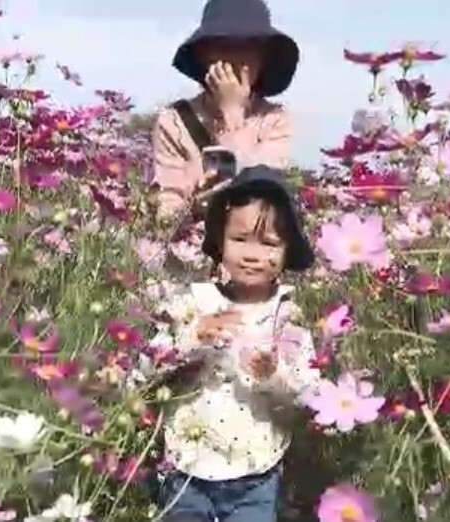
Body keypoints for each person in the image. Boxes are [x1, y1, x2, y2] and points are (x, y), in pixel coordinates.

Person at [149, 165, 319, 522]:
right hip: (185, 471)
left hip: (255, 477)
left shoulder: (289, 319)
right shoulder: (192, 303)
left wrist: (274, 376)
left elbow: (305, 397)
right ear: (219, 240)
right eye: (240, 239)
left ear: (288, 252)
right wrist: (193, 336)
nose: (253, 254)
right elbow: (147, 368)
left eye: (270, 243)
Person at [151, 0, 299, 220]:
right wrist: (196, 198)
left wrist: (232, 114)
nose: (235, 59)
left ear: (263, 58)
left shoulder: (275, 120)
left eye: (248, 46)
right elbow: (167, 206)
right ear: (203, 55)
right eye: (224, 46)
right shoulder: (174, 122)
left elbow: (262, 187)